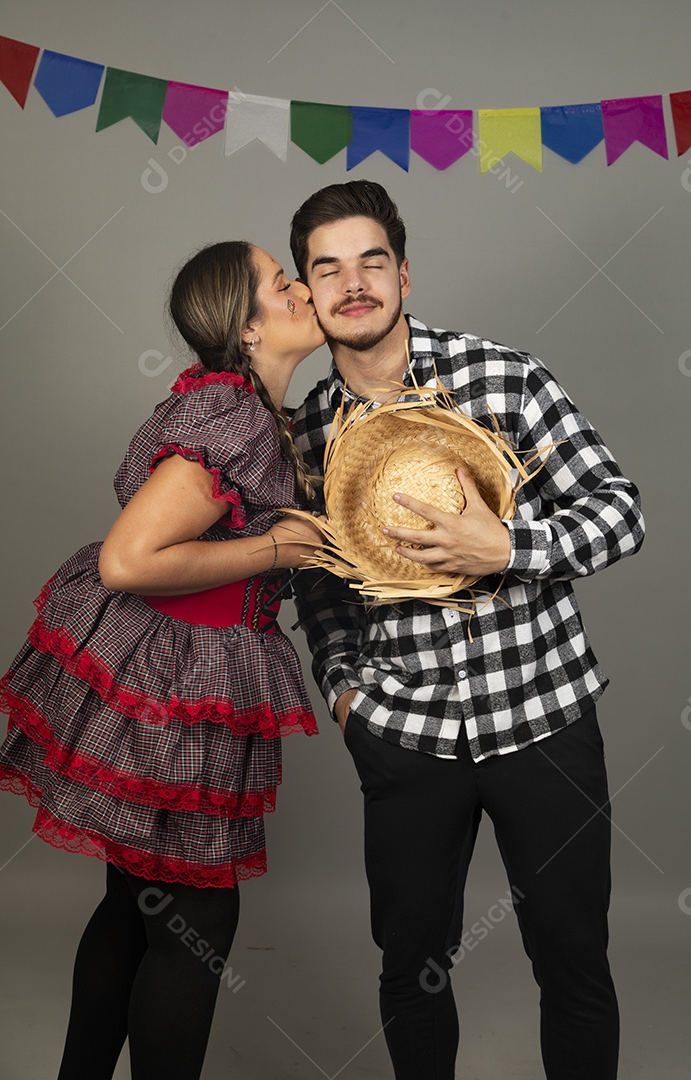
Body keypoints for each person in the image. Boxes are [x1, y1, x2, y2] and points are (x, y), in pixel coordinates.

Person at [290, 180, 645, 1080]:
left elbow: (621, 512)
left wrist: (511, 544)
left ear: (404, 274)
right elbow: (320, 586)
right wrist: (344, 692)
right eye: (327, 269)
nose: (353, 283)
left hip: (544, 724)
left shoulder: (502, 375)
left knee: (573, 964)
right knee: (411, 971)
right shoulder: (305, 434)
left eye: (372, 260)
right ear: (308, 293)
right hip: (405, 738)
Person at [0, 240, 325, 1080]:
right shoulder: (235, 416)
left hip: (169, 668)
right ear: (246, 330)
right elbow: (129, 562)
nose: (304, 289)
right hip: (180, 679)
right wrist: (280, 546)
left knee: (136, 905)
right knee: (196, 926)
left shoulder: (243, 409)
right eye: (283, 284)